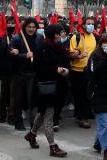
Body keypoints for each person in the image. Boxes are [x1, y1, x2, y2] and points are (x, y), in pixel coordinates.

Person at [24, 23, 70, 157]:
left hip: (59, 86)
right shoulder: (42, 48)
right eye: (58, 33)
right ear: (53, 34)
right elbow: (37, 68)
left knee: (43, 113)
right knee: (49, 116)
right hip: (47, 87)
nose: (60, 35)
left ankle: (32, 134)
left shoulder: (60, 47)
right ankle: (52, 146)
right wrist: (55, 69)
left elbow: (65, 62)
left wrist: (66, 70)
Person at [10, 17, 43, 130]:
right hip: (20, 73)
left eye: (33, 27)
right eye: (29, 27)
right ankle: (18, 121)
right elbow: (11, 55)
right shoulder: (17, 38)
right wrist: (24, 56)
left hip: (34, 72)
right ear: (25, 27)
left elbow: (41, 52)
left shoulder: (39, 37)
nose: (31, 29)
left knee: (32, 99)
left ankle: (33, 122)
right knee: (18, 98)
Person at [69, 16, 97, 129]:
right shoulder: (76, 37)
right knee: (78, 95)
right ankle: (81, 117)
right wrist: (79, 55)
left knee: (87, 95)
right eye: (89, 24)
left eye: (92, 24)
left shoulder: (94, 37)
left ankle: (82, 115)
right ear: (84, 25)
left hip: (89, 71)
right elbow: (71, 54)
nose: (91, 26)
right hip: (77, 71)